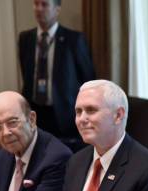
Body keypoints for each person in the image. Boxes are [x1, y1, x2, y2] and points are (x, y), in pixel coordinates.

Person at [18, 0, 95, 150]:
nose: (39, 9)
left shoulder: (74, 39)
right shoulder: (25, 38)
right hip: (35, 111)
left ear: (57, 9)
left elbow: (88, 78)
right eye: (36, 4)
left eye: (45, 4)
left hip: (63, 114)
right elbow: (26, 73)